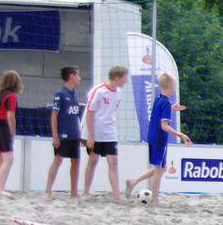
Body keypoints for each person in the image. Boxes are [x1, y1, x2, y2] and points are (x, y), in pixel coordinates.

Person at [124, 72, 191, 205]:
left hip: (152, 136)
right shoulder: (166, 102)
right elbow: (164, 125)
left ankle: (134, 181)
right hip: (159, 139)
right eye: (175, 84)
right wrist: (180, 134)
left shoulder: (159, 98)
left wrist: (172, 108)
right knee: (159, 170)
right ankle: (155, 201)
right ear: (171, 85)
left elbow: (159, 112)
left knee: (161, 167)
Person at [81, 65, 129, 200]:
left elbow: (113, 112)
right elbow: (89, 113)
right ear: (117, 78)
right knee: (93, 160)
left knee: (113, 161)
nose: (126, 81)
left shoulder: (119, 93)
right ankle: (85, 192)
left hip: (110, 132)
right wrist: (90, 136)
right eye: (125, 78)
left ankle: (116, 194)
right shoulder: (98, 91)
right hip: (95, 132)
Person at [44, 66, 84, 198]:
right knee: (58, 160)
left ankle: (74, 192)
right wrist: (55, 136)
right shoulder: (61, 94)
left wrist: (79, 132)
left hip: (74, 134)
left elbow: (75, 116)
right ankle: (47, 191)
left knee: (76, 161)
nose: (80, 78)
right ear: (71, 76)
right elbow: (54, 115)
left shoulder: (76, 95)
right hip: (63, 134)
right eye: (78, 75)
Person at [0, 70, 22, 196]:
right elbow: (10, 116)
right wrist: (12, 133)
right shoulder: (11, 96)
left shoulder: (0, 95)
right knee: (9, 158)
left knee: (0, 159)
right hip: (0, 128)